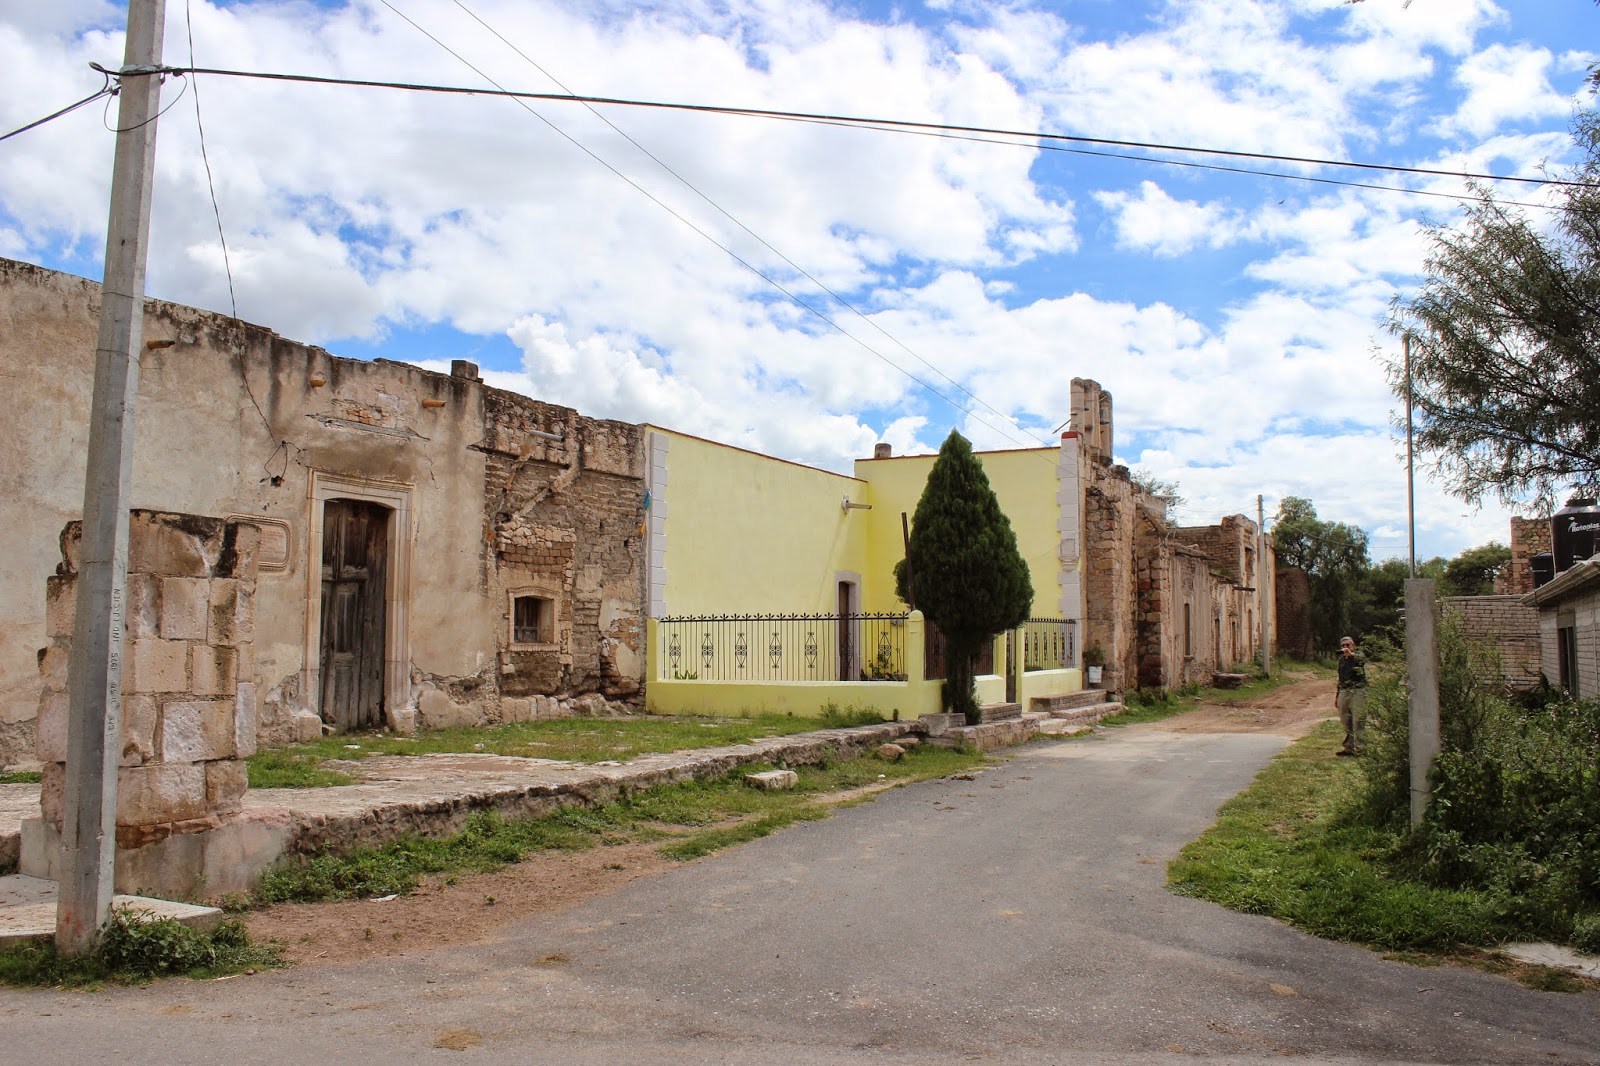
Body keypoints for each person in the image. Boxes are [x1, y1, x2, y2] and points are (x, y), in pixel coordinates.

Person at [1335, 634, 1367, 756]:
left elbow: (1362, 660)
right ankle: (1348, 747)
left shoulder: (1358, 655)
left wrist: (1352, 655)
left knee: (1358, 719)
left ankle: (1360, 749)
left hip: (1358, 690)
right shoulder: (1341, 660)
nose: (1345, 648)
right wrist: (1337, 695)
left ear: (1353, 645)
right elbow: (1340, 678)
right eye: (1343, 646)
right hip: (1344, 690)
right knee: (1345, 719)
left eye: (1347, 645)